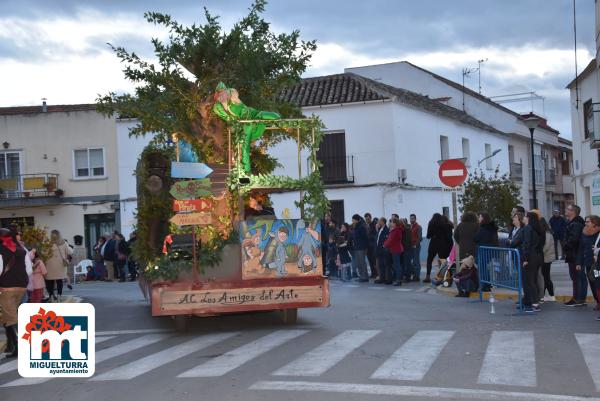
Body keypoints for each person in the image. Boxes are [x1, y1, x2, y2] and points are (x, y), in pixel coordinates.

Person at [0, 227, 30, 358]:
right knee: (11, 316)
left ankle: (18, 346)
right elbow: (28, 269)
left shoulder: (2, 250)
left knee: (10, 317)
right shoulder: (22, 250)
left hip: (7, 288)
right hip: (22, 287)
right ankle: (12, 345)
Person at [510, 212, 544, 313]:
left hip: (531, 257)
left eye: (525, 216)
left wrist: (525, 258)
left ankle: (535, 304)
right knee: (532, 280)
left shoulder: (528, 228)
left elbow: (527, 244)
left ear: (528, 218)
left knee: (530, 281)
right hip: (537, 257)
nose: (523, 218)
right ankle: (530, 302)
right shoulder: (535, 229)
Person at [575, 215, 600, 309]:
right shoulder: (584, 233)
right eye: (585, 221)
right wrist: (578, 262)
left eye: (588, 221)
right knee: (593, 284)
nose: (585, 223)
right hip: (589, 263)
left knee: (598, 284)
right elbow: (581, 249)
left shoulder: (599, 234)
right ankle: (598, 301)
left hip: (598, 263)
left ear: (594, 223)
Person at [563, 204, 585, 306]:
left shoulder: (576, 223)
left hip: (575, 254)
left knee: (577, 277)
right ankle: (578, 298)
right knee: (577, 277)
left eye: (568, 209)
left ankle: (578, 299)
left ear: (573, 212)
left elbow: (574, 239)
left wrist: (566, 245)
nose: (566, 210)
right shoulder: (573, 222)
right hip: (574, 253)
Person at [45, 230, 73, 302]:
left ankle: (51, 296)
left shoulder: (47, 243)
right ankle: (59, 296)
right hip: (60, 265)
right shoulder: (63, 243)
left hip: (49, 265)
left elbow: (43, 253)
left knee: (49, 281)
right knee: (59, 281)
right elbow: (70, 252)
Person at [424, 213, 453, 283]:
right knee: (443, 260)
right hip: (442, 244)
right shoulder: (444, 224)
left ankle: (427, 276)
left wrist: (433, 234)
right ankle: (444, 276)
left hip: (433, 243)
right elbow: (447, 236)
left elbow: (428, 236)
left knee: (429, 260)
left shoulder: (431, 224)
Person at [384, 218, 404, 286]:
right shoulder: (394, 230)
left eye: (391, 222)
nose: (390, 223)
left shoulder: (396, 230)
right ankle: (397, 279)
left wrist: (384, 245)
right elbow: (389, 239)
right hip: (394, 249)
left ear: (395, 223)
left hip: (396, 249)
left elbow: (391, 240)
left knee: (397, 265)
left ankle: (398, 280)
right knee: (396, 265)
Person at [540, 218, 556, 302]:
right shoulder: (547, 233)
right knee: (545, 277)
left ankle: (551, 295)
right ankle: (547, 295)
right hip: (546, 258)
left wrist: (538, 252)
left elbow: (546, 247)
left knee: (545, 277)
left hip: (546, 258)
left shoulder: (547, 234)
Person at [351, 214, 369, 282]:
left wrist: (365, 247)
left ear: (356, 220)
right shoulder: (356, 226)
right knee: (358, 263)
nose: (352, 221)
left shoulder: (361, 226)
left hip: (361, 247)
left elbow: (364, 237)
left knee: (362, 262)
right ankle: (361, 276)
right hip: (357, 247)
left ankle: (365, 276)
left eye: (353, 219)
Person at [375, 217, 391, 284]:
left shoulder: (386, 230)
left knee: (386, 265)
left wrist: (383, 248)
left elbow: (385, 240)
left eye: (379, 221)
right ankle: (382, 278)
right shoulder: (380, 229)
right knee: (381, 265)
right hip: (379, 250)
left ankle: (388, 279)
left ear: (383, 222)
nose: (378, 222)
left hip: (384, 250)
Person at [409, 214, 423, 281]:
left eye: (413, 218)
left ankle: (417, 276)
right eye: (411, 218)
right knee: (411, 262)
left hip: (416, 246)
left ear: (415, 219)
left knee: (416, 262)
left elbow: (420, 238)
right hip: (410, 247)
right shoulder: (410, 227)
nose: (411, 220)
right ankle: (414, 274)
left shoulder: (418, 227)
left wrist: (415, 244)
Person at [364, 213, 378, 280]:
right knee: (370, 260)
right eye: (366, 219)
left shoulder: (374, 224)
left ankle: (376, 273)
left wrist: (369, 237)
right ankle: (373, 273)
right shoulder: (366, 226)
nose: (367, 220)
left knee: (374, 260)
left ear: (370, 218)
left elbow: (375, 234)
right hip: (367, 246)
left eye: (368, 218)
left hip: (373, 245)